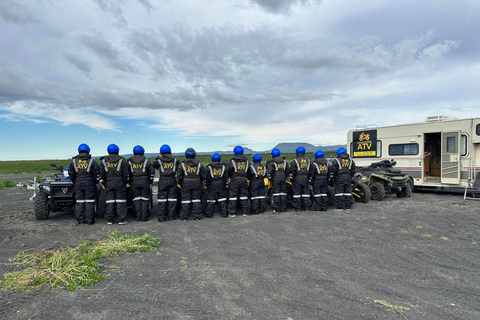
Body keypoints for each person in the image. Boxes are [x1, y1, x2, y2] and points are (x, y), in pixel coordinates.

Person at [68, 143, 100, 225]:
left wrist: (75, 181)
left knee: (79, 201)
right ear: (88, 151)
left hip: (78, 182)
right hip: (89, 183)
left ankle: (80, 220)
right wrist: (94, 182)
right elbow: (96, 173)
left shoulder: (74, 161)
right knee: (90, 201)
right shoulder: (92, 161)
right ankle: (90, 220)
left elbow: (71, 173)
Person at [99, 144, 129, 225]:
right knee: (120, 201)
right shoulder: (121, 160)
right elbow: (126, 173)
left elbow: (101, 174)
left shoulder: (103, 161)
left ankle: (109, 219)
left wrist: (104, 183)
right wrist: (125, 182)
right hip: (120, 183)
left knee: (109, 201)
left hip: (108, 183)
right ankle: (121, 219)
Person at [153, 144, 181, 222]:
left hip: (163, 180)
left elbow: (154, 164)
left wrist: (159, 157)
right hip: (172, 179)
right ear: (170, 151)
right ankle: (171, 216)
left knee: (162, 199)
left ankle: (162, 217)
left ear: (161, 152)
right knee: (172, 198)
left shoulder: (159, 160)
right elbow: (179, 166)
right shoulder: (175, 160)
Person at [176, 148, 206, 221]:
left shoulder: (182, 165)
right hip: (197, 183)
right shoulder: (199, 165)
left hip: (185, 184)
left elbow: (179, 176)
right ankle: (197, 216)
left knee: (185, 200)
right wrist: (201, 183)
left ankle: (184, 217)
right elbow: (203, 176)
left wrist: (181, 183)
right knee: (196, 200)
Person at [127, 145, 154, 221]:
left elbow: (127, 172)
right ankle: (144, 217)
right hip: (144, 181)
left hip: (134, 182)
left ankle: (138, 217)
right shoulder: (146, 161)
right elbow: (151, 172)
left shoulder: (129, 161)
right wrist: (150, 181)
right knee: (145, 199)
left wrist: (128, 181)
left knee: (136, 199)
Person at [227, 146, 251, 217]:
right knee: (244, 196)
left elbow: (229, 170)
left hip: (234, 180)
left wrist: (231, 177)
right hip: (243, 180)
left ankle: (232, 213)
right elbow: (248, 171)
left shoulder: (232, 161)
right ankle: (245, 212)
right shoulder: (246, 162)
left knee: (233, 196)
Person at [205, 153, 229, 218]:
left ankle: (209, 214)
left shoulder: (209, 167)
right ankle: (224, 214)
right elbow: (226, 177)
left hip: (212, 185)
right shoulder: (224, 167)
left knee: (210, 200)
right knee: (222, 200)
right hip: (221, 185)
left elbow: (207, 178)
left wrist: (208, 185)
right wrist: (224, 184)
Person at [289, 146, 312, 212]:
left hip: (297, 179)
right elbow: (311, 171)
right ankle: (307, 207)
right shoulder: (309, 161)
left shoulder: (295, 161)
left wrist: (291, 179)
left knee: (297, 194)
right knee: (306, 193)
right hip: (306, 179)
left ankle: (298, 208)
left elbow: (292, 171)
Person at [266, 148, 288, 213]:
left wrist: (270, 178)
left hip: (275, 179)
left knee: (276, 194)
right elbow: (287, 171)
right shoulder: (285, 162)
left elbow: (269, 173)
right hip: (283, 178)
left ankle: (277, 208)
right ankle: (283, 208)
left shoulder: (272, 163)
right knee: (283, 193)